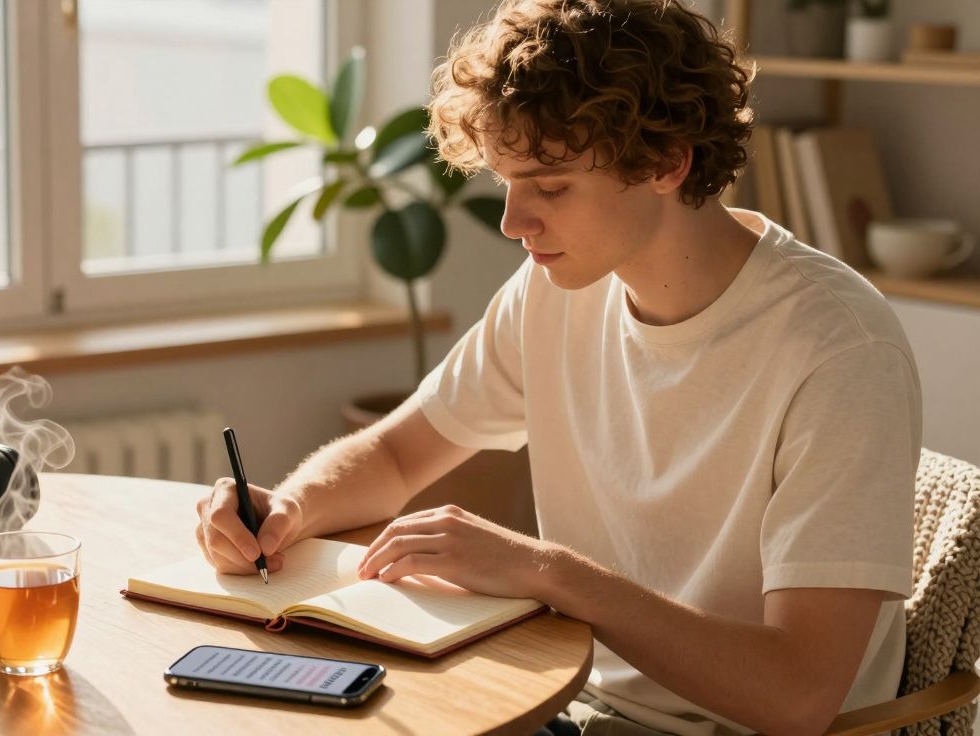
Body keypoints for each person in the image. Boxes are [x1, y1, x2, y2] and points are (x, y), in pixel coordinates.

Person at [194, 1, 921, 733]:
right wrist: (285, 510)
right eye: (506, 182)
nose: (514, 223)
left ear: (669, 162)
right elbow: (394, 452)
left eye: (550, 185)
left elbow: (796, 695)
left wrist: (546, 573)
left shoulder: (839, 348)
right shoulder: (554, 294)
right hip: (568, 707)